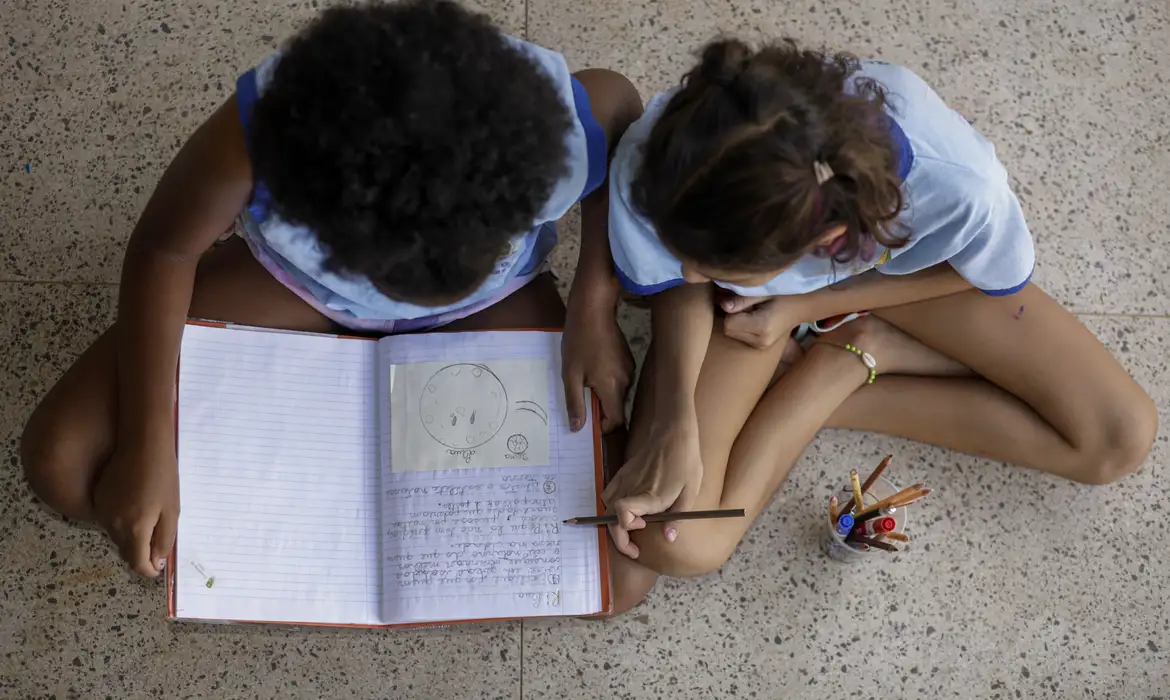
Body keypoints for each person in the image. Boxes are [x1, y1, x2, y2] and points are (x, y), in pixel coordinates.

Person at [21, 0, 642, 579]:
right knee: (61, 464)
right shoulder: (265, 135)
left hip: (495, 298)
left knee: (615, 566)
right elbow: (167, 249)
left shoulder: (553, 133)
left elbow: (617, 105)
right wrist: (148, 440)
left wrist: (593, 304)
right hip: (297, 288)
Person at [589, 38, 1157, 613]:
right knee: (677, 541)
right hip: (744, 310)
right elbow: (684, 285)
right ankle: (838, 362)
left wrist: (804, 307)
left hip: (891, 279)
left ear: (825, 241)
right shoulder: (671, 149)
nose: (688, 272)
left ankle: (846, 359)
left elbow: (972, 272)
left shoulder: (959, 184)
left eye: (711, 265)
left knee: (1118, 439)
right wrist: (676, 423)